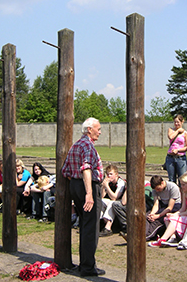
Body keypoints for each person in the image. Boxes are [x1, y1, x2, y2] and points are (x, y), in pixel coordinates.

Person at [62, 117, 105, 277]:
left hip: (75, 185)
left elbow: (65, 170)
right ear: (89, 129)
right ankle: (87, 267)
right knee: (90, 228)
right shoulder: (87, 146)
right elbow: (86, 168)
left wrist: (77, 185)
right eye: (98, 129)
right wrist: (89, 193)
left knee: (85, 226)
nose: (99, 132)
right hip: (88, 187)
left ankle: (85, 264)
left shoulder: (76, 145)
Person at [148, 172, 187, 247]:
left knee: (172, 218)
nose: (182, 186)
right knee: (167, 218)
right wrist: (174, 214)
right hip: (184, 212)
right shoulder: (185, 193)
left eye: (184, 184)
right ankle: (173, 237)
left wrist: (177, 214)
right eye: (181, 184)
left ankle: (162, 239)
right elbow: (183, 208)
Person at [145, 175, 181, 241]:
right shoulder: (155, 190)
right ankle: (143, 232)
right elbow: (156, 204)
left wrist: (158, 216)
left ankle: (146, 236)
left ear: (162, 183)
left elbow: (170, 207)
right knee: (147, 216)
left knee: (157, 221)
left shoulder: (173, 187)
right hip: (163, 205)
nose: (157, 191)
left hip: (174, 206)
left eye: (158, 189)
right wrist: (152, 214)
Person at [99, 165, 126, 237]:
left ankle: (108, 227)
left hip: (120, 203)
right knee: (101, 201)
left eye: (111, 174)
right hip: (112, 201)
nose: (108, 176)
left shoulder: (121, 182)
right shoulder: (109, 182)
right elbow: (102, 196)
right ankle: (99, 222)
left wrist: (107, 186)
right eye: (107, 174)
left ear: (116, 174)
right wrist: (103, 186)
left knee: (112, 203)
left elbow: (115, 197)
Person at [165, 114, 187, 184]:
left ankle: (181, 194)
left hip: (181, 158)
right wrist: (178, 130)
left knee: (182, 179)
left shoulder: (186, 133)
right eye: (175, 122)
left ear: (182, 122)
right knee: (171, 179)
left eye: (178, 122)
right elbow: (171, 137)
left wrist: (178, 150)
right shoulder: (171, 130)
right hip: (170, 157)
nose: (176, 124)